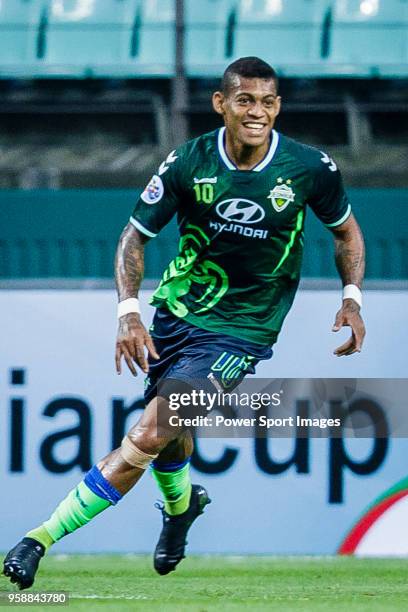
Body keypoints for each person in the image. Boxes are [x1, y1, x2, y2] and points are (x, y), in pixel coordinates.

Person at [3, 57, 365, 590]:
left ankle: (37, 539)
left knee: (151, 429)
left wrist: (352, 298)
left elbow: (347, 234)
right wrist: (128, 311)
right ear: (221, 104)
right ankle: (182, 507)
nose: (257, 112)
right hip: (176, 314)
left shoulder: (309, 168)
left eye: (267, 102)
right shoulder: (187, 163)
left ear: (278, 106)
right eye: (244, 100)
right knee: (171, 434)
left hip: (243, 329)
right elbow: (134, 236)